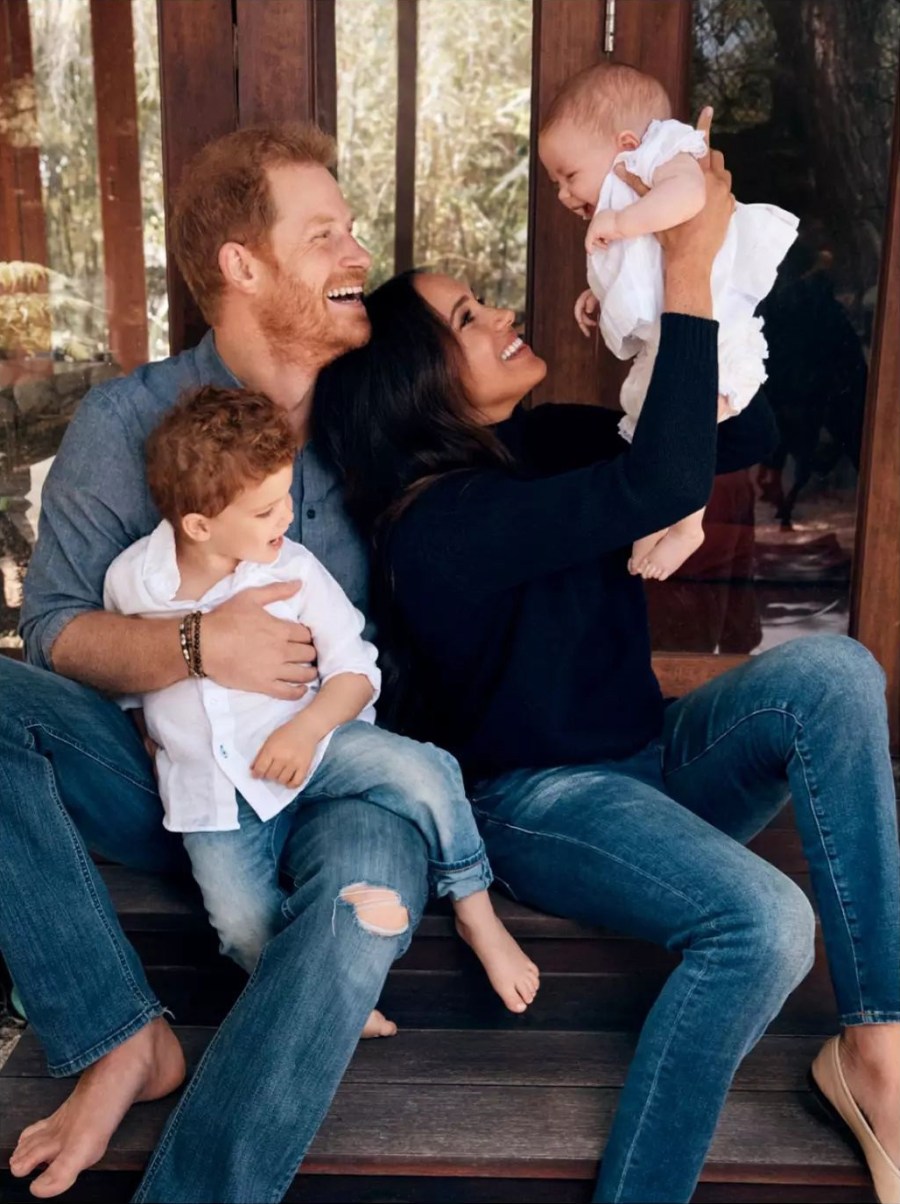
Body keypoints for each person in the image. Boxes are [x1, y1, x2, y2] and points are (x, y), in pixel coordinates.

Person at [315, 125, 900, 1204]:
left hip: (656, 759)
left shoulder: (547, 443)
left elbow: (740, 433)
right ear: (413, 381)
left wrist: (682, 301)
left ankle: (875, 1048)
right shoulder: (434, 526)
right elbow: (656, 486)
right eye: (466, 317)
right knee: (765, 923)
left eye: (484, 301)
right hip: (543, 803)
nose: (500, 317)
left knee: (838, 675)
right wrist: (678, 257)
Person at [5, 122, 445, 1204]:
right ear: (243, 269)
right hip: (172, 784)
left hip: (338, 770)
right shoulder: (128, 421)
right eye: (326, 233)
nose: (358, 257)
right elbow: (56, 631)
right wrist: (201, 645)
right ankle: (118, 1035)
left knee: (357, 912)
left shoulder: (373, 414)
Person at [103, 384, 538, 1016]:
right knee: (239, 923)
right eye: (264, 510)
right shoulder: (132, 581)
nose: (285, 517)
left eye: (286, 496)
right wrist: (146, 725)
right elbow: (128, 672)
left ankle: (475, 909)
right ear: (199, 524)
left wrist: (306, 730)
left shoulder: (295, 570)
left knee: (427, 771)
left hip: (318, 740)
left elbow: (357, 672)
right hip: (213, 795)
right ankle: (320, 996)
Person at [538, 63, 798, 581]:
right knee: (650, 421)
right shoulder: (630, 196)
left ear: (627, 143)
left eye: (569, 176)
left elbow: (690, 198)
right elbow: (645, 269)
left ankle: (687, 524)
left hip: (716, 330)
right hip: (676, 333)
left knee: (685, 422)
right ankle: (659, 515)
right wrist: (599, 294)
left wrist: (621, 221)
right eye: (555, 184)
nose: (565, 195)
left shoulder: (665, 155)